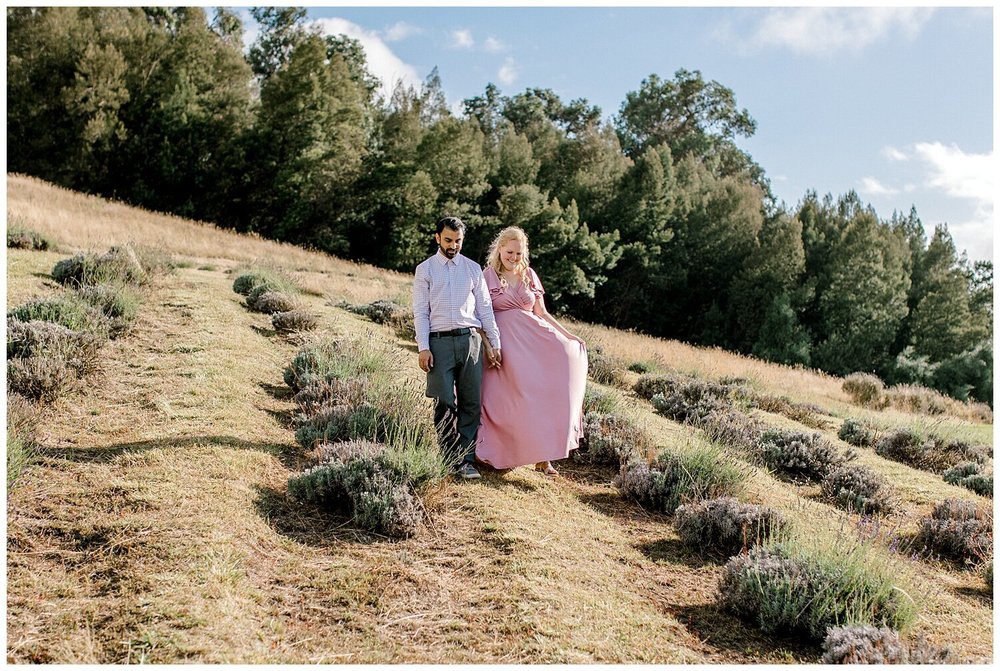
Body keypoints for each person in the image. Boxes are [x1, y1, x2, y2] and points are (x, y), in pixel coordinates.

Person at [475, 226, 588, 476]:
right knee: (511, 401)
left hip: (534, 341)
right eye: (509, 252)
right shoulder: (487, 276)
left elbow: (542, 312)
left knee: (546, 390)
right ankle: (499, 451)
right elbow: (479, 315)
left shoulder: (529, 274)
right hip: (503, 345)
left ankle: (543, 457)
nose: (513, 257)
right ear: (499, 249)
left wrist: (568, 336)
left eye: (518, 253)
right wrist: (487, 344)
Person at [413, 216, 502, 480]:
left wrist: (494, 343)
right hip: (438, 343)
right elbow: (420, 311)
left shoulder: (473, 269)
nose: (453, 245)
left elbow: (485, 308)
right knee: (444, 402)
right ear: (437, 237)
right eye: (448, 240)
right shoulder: (425, 270)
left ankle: (465, 460)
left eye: (458, 241)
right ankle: (448, 456)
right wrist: (423, 347)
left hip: (470, 342)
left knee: (470, 403)